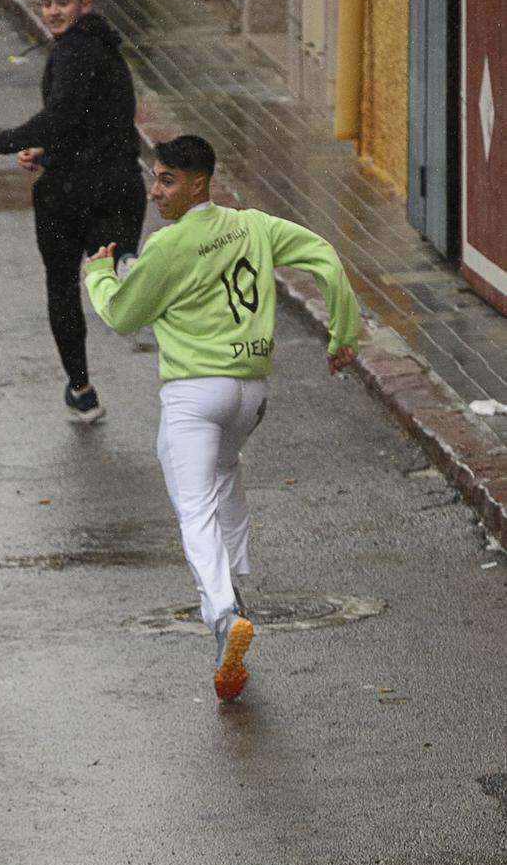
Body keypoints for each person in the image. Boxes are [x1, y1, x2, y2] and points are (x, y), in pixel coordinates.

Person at [84, 135, 360, 703]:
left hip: (194, 395)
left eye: (166, 181)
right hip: (250, 393)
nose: (155, 191)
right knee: (224, 467)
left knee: (194, 507)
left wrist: (100, 274)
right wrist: (342, 334)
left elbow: (122, 316)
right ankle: (236, 576)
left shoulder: (167, 245)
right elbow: (325, 257)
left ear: (198, 184)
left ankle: (223, 613)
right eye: (155, 179)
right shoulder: (255, 226)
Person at [0, 0, 145, 423]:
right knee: (114, 268)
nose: (52, 12)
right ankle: (127, 266)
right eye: (46, 3)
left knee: (62, 286)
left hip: (72, 194)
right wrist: (46, 154)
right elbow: (89, 122)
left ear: (85, 4)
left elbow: (59, 116)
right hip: (120, 183)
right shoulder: (105, 47)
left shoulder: (73, 51)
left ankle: (81, 389)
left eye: (62, 2)